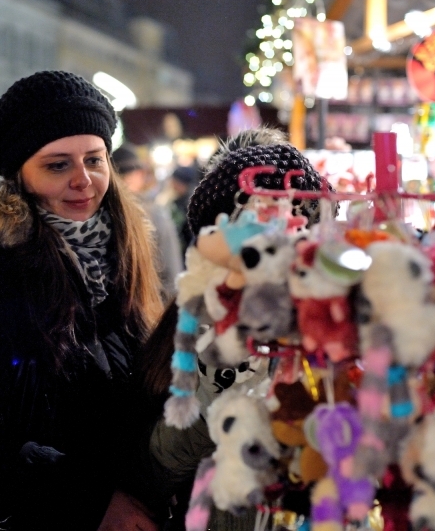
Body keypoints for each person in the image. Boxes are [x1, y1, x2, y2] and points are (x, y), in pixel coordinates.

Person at [0, 70, 165, 531]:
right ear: (20, 176)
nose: (84, 180)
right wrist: (90, 500)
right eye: (57, 165)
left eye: (95, 159)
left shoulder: (124, 255)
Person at [140, 127, 333, 531]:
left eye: (296, 222)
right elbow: (156, 470)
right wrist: (222, 383)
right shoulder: (196, 319)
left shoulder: (329, 314)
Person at [112, 145, 183, 301]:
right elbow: (171, 267)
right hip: (152, 303)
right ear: (138, 174)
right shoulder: (153, 213)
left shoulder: (105, 213)